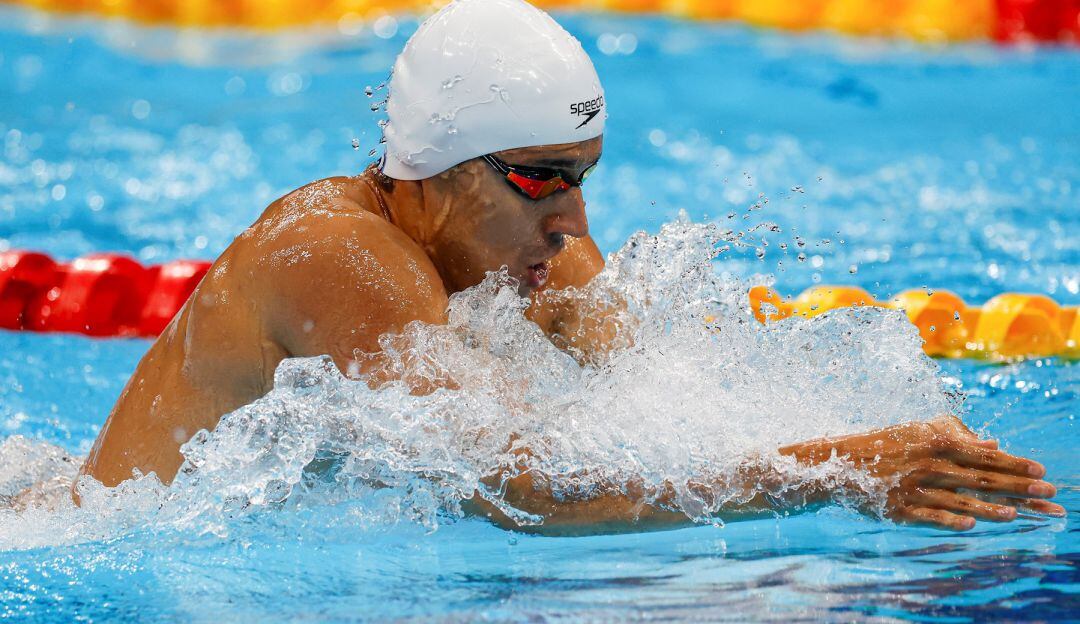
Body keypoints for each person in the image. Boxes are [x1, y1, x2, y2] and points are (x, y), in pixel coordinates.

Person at [77, 0, 1062, 533]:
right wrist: (835, 473)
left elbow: (677, 401)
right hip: (89, 549)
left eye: (583, 179)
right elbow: (522, 496)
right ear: (433, 173)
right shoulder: (338, 255)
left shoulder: (531, 256)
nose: (573, 223)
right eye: (541, 181)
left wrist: (884, 445)